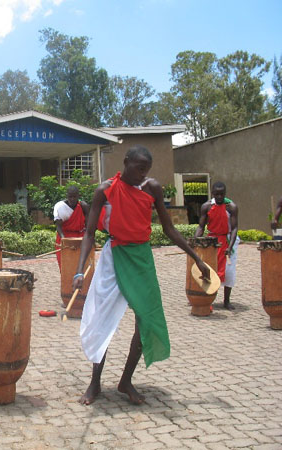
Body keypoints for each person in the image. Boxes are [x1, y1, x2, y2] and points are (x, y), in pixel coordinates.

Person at [72, 146, 211, 405]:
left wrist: (197, 258)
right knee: (100, 318)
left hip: (142, 258)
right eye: (138, 168)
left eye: (145, 170)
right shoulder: (105, 190)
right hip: (114, 257)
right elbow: (89, 234)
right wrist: (79, 270)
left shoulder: (152, 188)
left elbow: (169, 229)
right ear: (125, 163)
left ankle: (126, 381)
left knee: (146, 320)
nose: (141, 174)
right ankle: (95, 383)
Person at [195, 182, 240, 310]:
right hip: (212, 241)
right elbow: (200, 227)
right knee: (209, 269)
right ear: (212, 194)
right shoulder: (206, 207)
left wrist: (230, 247)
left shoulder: (231, 207)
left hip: (227, 239)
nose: (219, 197)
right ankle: (208, 298)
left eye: (222, 194)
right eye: (216, 194)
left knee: (229, 271)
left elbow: (235, 228)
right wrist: (195, 241)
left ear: (225, 193)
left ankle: (226, 301)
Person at [54, 185, 89, 270]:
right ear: (67, 196)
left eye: (74, 196)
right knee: (65, 266)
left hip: (80, 237)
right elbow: (58, 226)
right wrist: (64, 240)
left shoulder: (84, 206)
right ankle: (67, 283)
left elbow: (89, 225)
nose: (72, 199)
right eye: (70, 197)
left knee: (81, 264)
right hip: (64, 237)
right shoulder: (60, 207)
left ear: (78, 196)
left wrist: (88, 239)